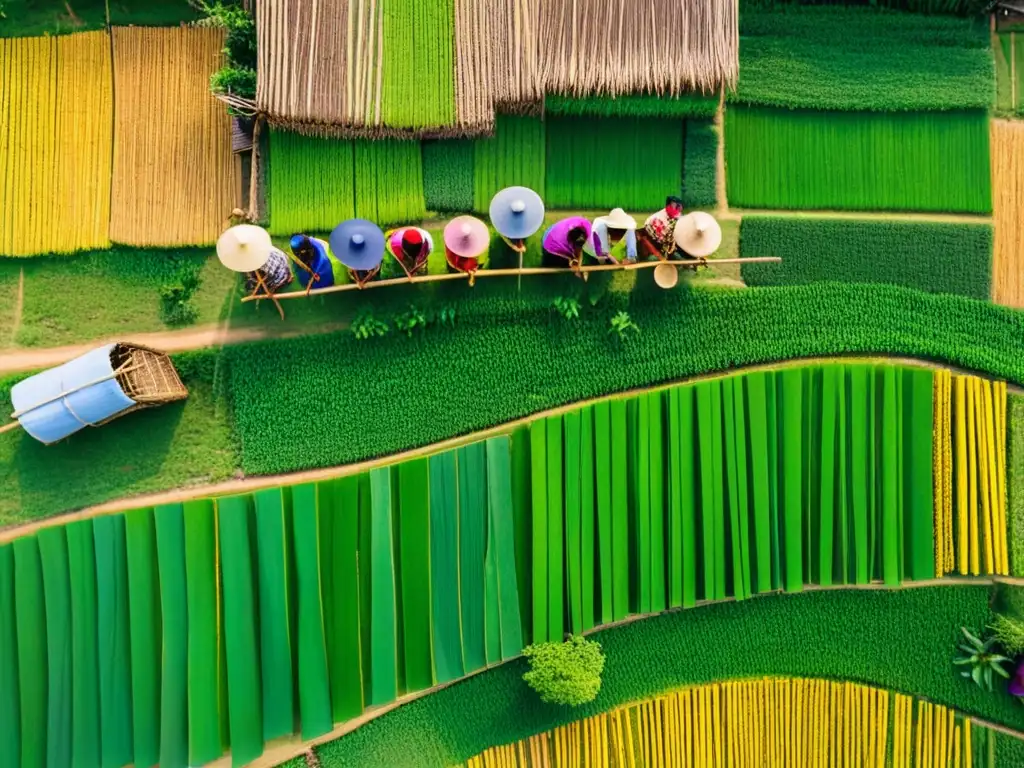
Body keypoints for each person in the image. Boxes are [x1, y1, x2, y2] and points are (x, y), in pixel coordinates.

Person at [641, 195, 684, 259]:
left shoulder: (678, 216)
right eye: (676, 206)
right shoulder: (657, 219)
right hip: (653, 246)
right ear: (668, 206)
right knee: (653, 259)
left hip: (668, 247)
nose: (679, 209)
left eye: (679, 207)